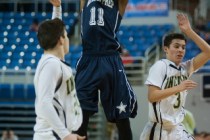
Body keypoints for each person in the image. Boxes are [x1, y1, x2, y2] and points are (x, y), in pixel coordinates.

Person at [140, 13, 210, 140]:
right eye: (176, 46)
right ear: (165, 49)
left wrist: (189, 31)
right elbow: (152, 96)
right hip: (160, 130)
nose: (180, 50)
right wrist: (179, 87)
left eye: (183, 47)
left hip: (177, 128)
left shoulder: (186, 68)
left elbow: (208, 52)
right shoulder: (160, 66)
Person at [74, 0, 138, 140]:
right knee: (79, 118)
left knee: (122, 118)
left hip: (111, 59)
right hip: (88, 57)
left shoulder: (118, 3)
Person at [33, 0, 85, 140]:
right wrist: (66, 135)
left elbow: (56, 29)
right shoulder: (52, 65)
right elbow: (44, 103)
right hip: (52, 135)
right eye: (66, 35)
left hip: (58, 134)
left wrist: (57, 7)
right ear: (61, 40)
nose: (67, 38)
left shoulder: (53, 61)